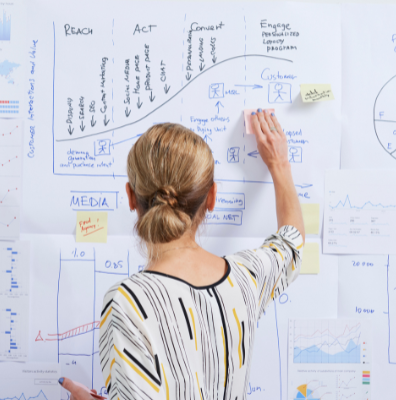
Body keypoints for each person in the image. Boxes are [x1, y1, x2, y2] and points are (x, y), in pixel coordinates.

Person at [59, 110, 304, 399]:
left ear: (129, 196)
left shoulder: (127, 302)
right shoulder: (245, 278)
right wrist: (279, 163)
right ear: (211, 197)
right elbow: (291, 243)